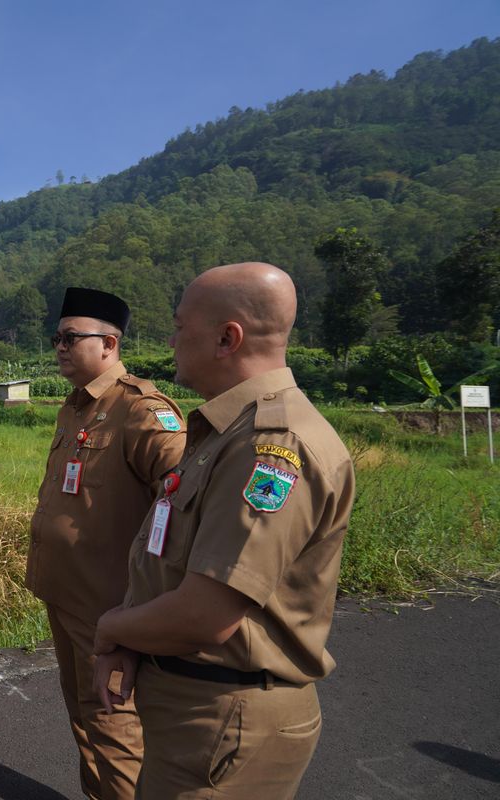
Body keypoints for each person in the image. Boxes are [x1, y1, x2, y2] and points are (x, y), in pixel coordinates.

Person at [92, 262, 356, 799]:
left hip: (223, 720)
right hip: (198, 713)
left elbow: (207, 614)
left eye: (180, 326)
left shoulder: (271, 446)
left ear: (226, 337)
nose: (171, 340)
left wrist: (113, 628)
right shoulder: (225, 432)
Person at [26, 287, 186, 799]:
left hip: (109, 611)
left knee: (115, 731)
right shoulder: (73, 407)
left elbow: (188, 502)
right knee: (83, 720)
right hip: (64, 595)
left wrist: (152, 603)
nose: (59, 346)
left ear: (110, 344)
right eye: (57, 337)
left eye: (71, 337)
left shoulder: (142, 412)